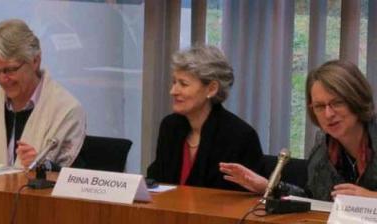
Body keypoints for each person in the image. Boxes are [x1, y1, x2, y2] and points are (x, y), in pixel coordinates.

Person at [220, 60, 377, 201]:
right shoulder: (324, 147)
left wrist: (371, 198)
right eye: (320, 106)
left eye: (337, 103)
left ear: (357, 99)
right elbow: (313, 199)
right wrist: (268, 186)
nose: (328, 114)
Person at [147, 45, 263, 190]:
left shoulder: (239, 136)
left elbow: (247, 198)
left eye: (183, 84)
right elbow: (156, 181)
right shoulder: (170, 126)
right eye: (174, 82)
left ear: (211, 89)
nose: (173, 91)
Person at [0, 19, 86, 169]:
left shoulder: (66, 110)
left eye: (10, 70)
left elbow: (71, 180)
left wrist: (43, 166)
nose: (2, 79)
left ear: (35, 61)